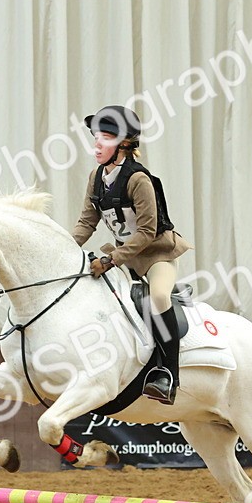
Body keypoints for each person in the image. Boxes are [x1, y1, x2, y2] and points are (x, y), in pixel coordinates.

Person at [71, 105, 192, 405]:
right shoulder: (96, 177)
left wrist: (111, 260)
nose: (97, 144)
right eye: (96, 137)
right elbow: (87, 222)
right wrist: (64, 249)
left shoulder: (138, 180)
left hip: (156, 256)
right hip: (124, 258)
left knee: (159, 298)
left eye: (105, 138)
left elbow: (147, 231)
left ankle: (169, 375)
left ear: (123, 145)